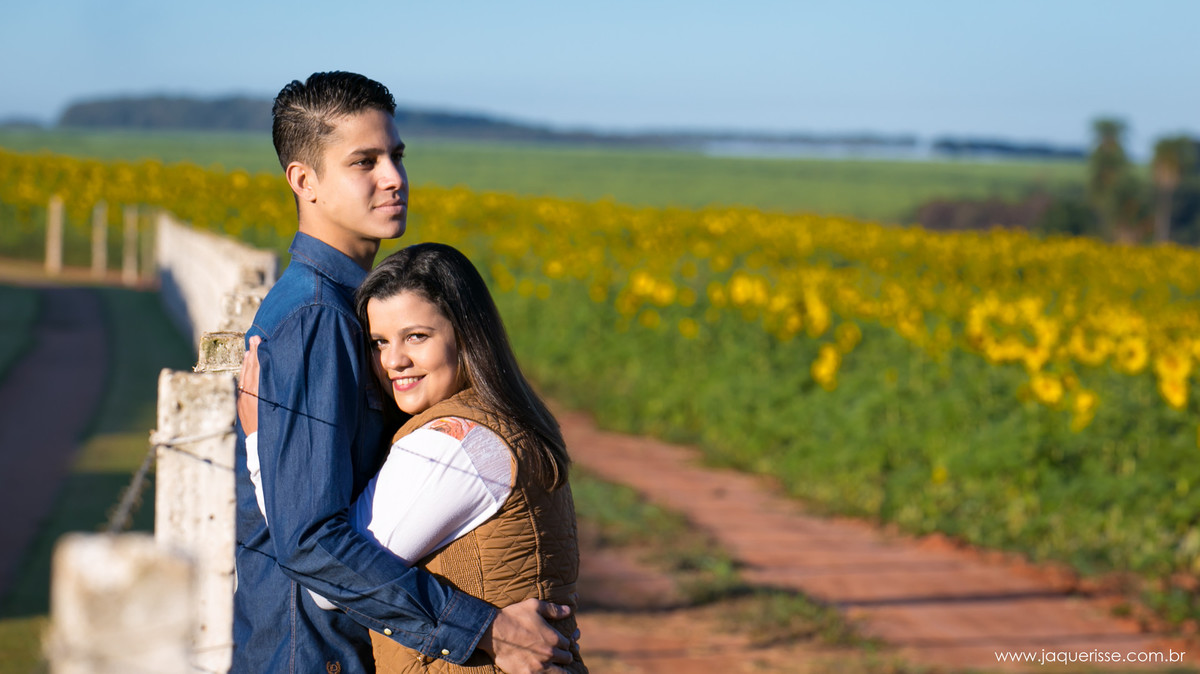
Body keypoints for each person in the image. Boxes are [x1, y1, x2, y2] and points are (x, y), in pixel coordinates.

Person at [233, 71, 574, 674]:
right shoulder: (318, 319)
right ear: (304, 180)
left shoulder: (351, 306)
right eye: (364, 161)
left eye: (396, 156)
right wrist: (486, 629)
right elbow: (309, 541)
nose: (394, 178)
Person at [241, 243, 587, 673]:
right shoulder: (500, 419)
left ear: (467, 333)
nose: (393, 361)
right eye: (378, 342)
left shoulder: (451, 444)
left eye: (417, 337)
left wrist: (260, 444)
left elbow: (329, 582)